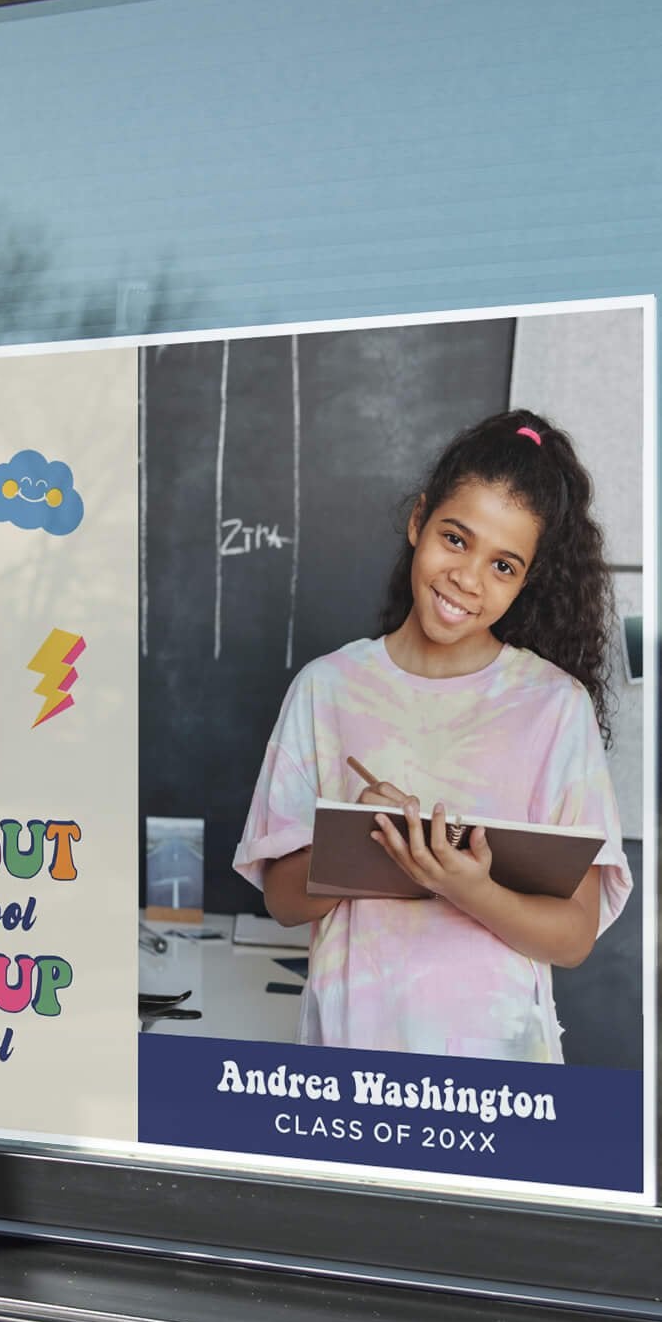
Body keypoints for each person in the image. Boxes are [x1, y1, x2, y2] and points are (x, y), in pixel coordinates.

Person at [234, 409, 631, 1061]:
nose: (468, 579)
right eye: (456, 539)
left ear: (526, 580)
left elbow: (574, 936)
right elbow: (281, 899)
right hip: (351, 1058)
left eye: (504, 566)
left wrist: (466, 886)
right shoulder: (327, 689)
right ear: (420, 522)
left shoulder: (555, 708)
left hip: (498, 1067)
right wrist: (362, 844)